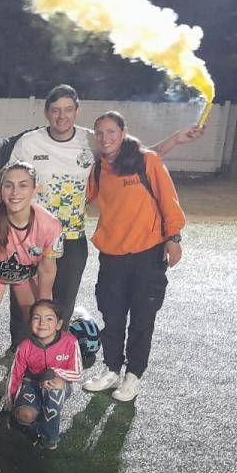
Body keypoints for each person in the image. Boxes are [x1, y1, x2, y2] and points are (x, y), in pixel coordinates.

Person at [7, 84, 203, 336]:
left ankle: (56, 353)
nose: (61, 116)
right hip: (31, 236)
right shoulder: (29, 142)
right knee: (24, 296)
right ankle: (18, 349)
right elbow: (8, 182)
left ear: (77, 111)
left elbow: (139, 160)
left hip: (71, 237)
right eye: (55, 110)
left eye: (68, 109)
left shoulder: (92, 139)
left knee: (62, 300)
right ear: (46, 113)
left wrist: (175, 139)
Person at [81, 111, 186, 403]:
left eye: (111, 131)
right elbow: (81, 196)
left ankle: (133, 376)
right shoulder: (100, 168)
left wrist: (173, 238)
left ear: (123, 133)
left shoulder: (146, 161)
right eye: (99, 133)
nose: (105, 138)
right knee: (112, 316)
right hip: (111, 257)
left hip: (147, 256)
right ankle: (112, 369)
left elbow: (168, 200)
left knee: (142, 317)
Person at [0, 162, 63, 413]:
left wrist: (44, 309)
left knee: (39, 325)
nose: (15, 192)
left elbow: (47, 269)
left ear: (36, 189)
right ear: (0, 190)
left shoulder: (50, 225)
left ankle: (34, 382)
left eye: (23, 185)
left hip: (27, 276)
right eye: (9, 185)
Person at [0, 299, 83, 449]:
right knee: (24, 416)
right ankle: (33, 420)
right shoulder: (25, 346)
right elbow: (15, 376)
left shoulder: (70, 342)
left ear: (59, 324)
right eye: (36, 318)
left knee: (53, 391)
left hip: (59, 383)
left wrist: (56, 374)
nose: (42, 323)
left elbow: (78, 373)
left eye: (49, 318)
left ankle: (49, 438)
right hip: (32, 383)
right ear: (30, 323)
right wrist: (7, 408)